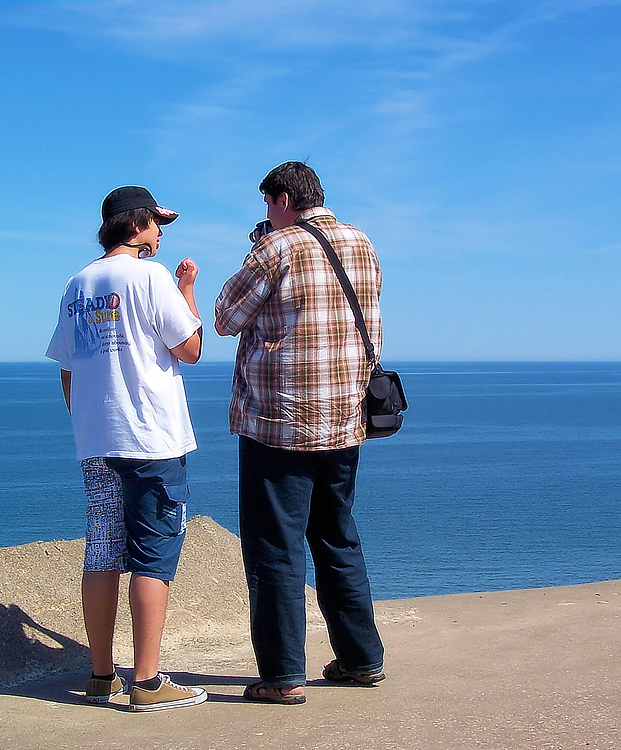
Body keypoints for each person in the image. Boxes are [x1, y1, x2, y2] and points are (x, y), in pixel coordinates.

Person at [214, 162, 386, 705]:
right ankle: (361, 659)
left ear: (283, 198)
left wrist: (261, 246)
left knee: (274, 548)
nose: (265, 215)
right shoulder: (362, 243)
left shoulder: (277, 248)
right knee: (337, 536)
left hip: (279, 423)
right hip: (345, 419)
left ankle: (283, 675)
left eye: (268, 205)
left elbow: (225, 316)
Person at [46, 186, 207, 712]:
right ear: (135, 224)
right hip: (152, 438)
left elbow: (68, 368)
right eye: (157, 223)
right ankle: (147, 681)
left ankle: (100, 674)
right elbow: (191, 348)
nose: (161, 232)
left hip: (97, 439)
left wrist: (89, 423)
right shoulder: (151, 277)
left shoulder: (79, 283)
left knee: (101, 550)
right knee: (152, 554)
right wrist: (186, 289)